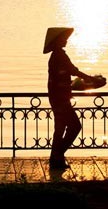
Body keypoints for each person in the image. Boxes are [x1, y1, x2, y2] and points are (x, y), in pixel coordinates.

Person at [43, 27, 99, 170]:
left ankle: (56, 159)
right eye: (63, 38)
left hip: (56, 97)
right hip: (60, 98)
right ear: (57, 41)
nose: (66, 40)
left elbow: (68, 73)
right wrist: (90, 78)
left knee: (60, 128)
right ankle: (57, 154)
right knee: (75, 126)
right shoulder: (60, 56)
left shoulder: (57, 55)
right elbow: (73, 71)